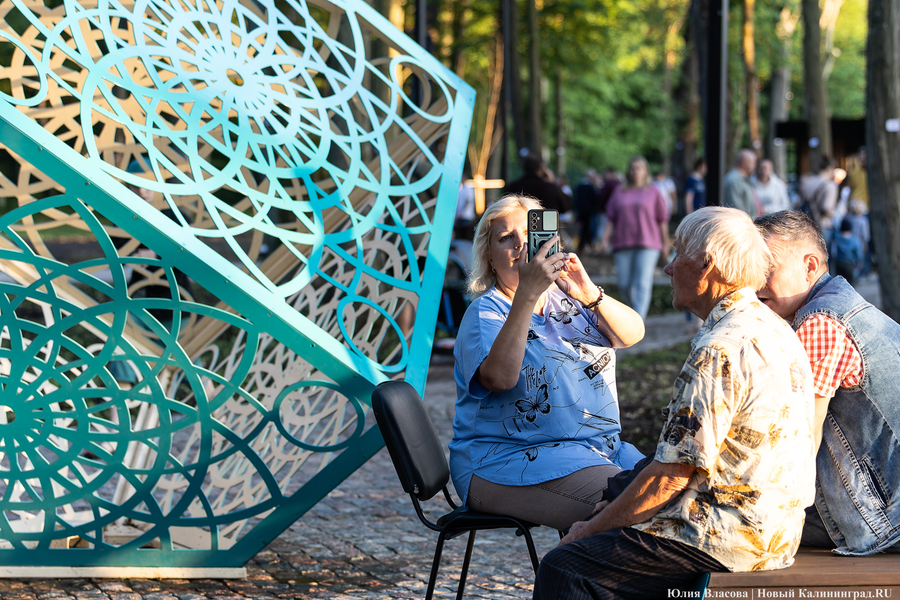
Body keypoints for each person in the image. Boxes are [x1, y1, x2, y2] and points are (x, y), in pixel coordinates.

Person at [533, 207, 817, 599]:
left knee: (566, 565)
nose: (667, 268)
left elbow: (672, 476)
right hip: (774, 530)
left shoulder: (719, 348)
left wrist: (589, 530)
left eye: (677, 253)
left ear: (706, 265)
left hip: (726, 534)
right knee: (610, 505)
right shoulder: (774, 328)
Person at [449, 195, 646, 530]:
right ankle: (576, 563)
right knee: (632, 507)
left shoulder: (571, 299)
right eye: (506, 238)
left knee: (680, 496)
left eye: (530, 234)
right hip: (506, 461)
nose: (521, 245)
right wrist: (527, 293)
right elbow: (500, 378)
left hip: (601, 451)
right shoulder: (486, 312)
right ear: (489, 257)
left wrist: (589, 293)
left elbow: (633, 333)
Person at [755, 210, 900, 556]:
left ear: (809, 266)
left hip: (881, 520)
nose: (754, 283)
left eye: (766, 269)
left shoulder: (821, 321)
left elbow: (801, 437)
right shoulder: (848, 306)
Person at [600, 157, 670, 320]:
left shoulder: (653, 191)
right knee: (624, 283)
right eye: (632, 168)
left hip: (648, 243)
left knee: (642, 283)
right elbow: (611, 217)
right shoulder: (619, 191)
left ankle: (638, 321)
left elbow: (662, 220)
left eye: (639, 168)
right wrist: (604, 238)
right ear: (628, 171)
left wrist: (665, 244)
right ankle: (633, 316)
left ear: (646, 171)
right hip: (622, 242)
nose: (635, 171)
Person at [502, 153, 572, 216]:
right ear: (542, 169)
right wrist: (552, 182)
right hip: (546, 225)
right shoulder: (550, 188)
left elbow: (504, 207)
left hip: (519, 224)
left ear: (523, 168)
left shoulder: (513, 186)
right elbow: (565, 206)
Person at [797, 154, 839, 253]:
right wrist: (835, 214)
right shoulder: (830, 185)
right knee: (823, 257)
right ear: (830, 169)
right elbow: (826, 208)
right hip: (822, 225)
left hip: (806, 225)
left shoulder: (807, 182)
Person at [722, 149, 758, 218]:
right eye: (753, 163)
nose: (755, 166)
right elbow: (736, 209)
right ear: (744, 162)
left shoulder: (744, 179)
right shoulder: (734, 180)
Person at [575, 170, 601, 253]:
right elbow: (595, 200)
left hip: (581, 211)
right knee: (586, 229)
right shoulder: (590, 187)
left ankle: (585, 245)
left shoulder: (580, 187)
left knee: (584, 229)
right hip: (588, 212)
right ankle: (585, 245)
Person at [832, 219, 863, 284]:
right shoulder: (854, 240)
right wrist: (858, 261)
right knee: (850, 283)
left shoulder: (837, 236)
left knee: (839, 283)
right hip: (849, 264)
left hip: (839, 263)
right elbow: (858, 253)